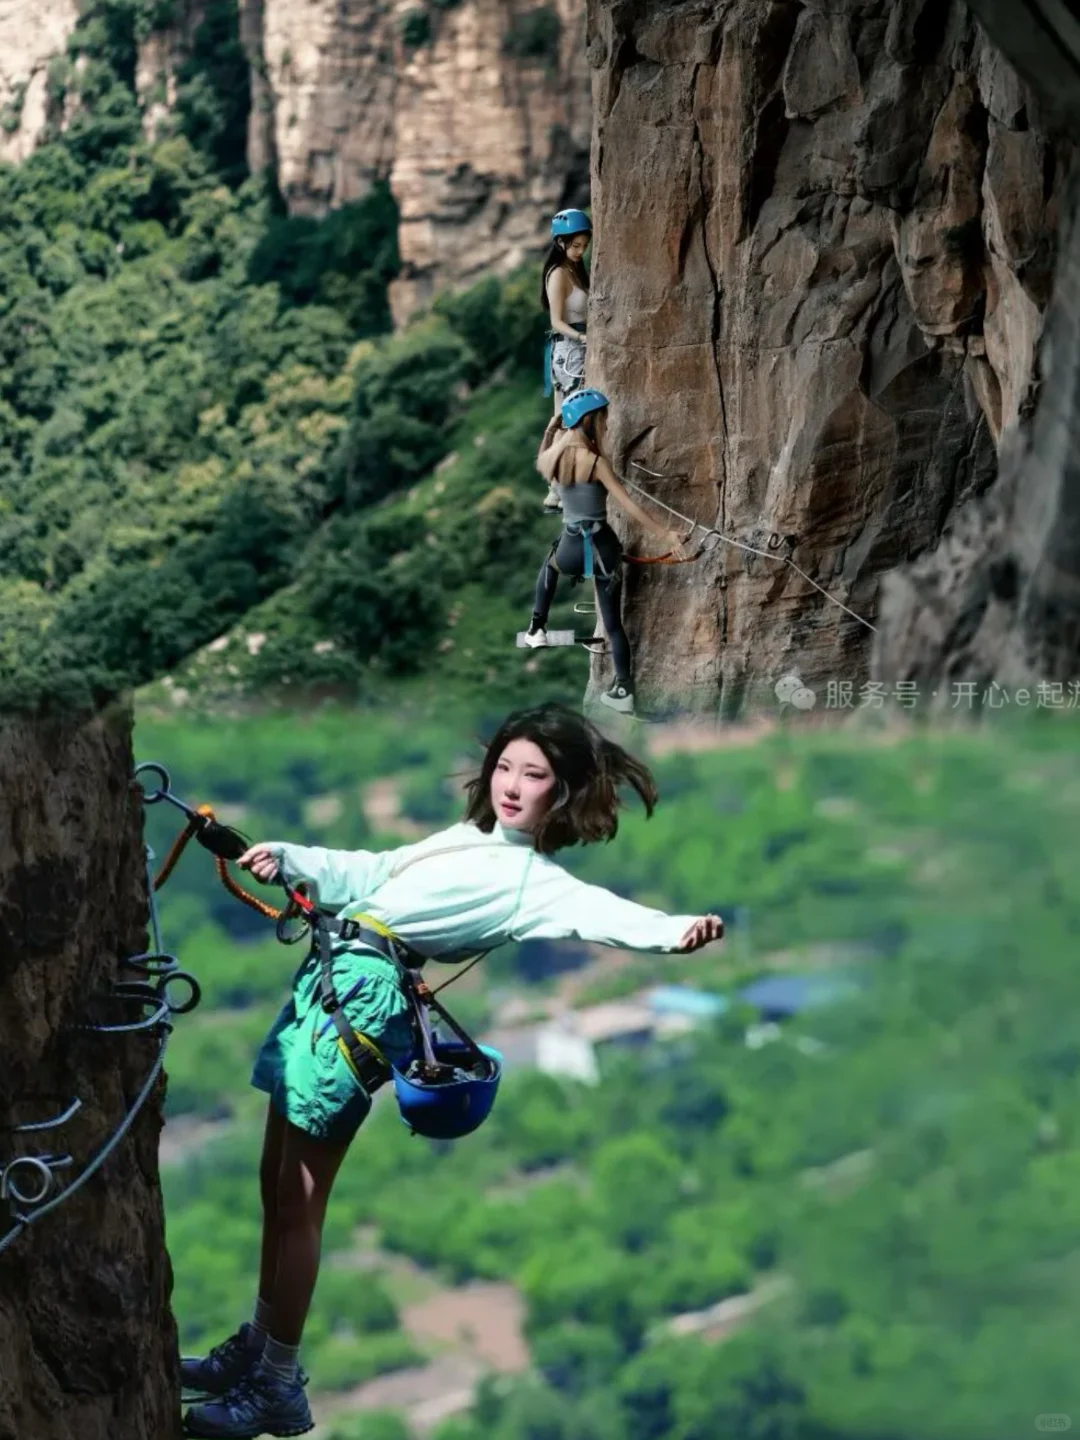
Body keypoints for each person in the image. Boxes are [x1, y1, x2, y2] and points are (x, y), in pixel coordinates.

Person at [180, 703, 723, 1440]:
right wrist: (290, 858)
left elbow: (603, 913)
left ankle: (277, 1382)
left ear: (563, 792)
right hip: (331, 978)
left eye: (534, 775)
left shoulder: (534, 882)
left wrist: (675, 931)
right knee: (275, 1182)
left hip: (362, 1000)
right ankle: (257, 1345)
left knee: (302, 1196)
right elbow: (373, 871)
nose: (513, 785)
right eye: (506, 767)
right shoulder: (465, 839)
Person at [524, 391, 692, 716]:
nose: (606, 423)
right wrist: (665, 534)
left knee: (550, 566)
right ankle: (623, 689)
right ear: (591, 420)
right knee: (613, 625)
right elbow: (629, 505)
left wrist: (551, 429)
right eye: (603, 417)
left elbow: (541, 457)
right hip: (603, 549)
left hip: (571, 548)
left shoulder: (555, 458)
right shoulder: (596, 463)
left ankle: (537, 628)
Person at [540, 208, 593, 512]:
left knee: (578, 415)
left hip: (582, 346)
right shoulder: (558, 274)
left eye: (584, 246)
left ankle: (565, 482)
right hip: (569, 350)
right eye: (575, 245)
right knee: (568, 415)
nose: (580, 251)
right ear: (560, 243)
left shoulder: (576, 270)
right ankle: (557, 486)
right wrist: (581, 338)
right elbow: (556, 321)